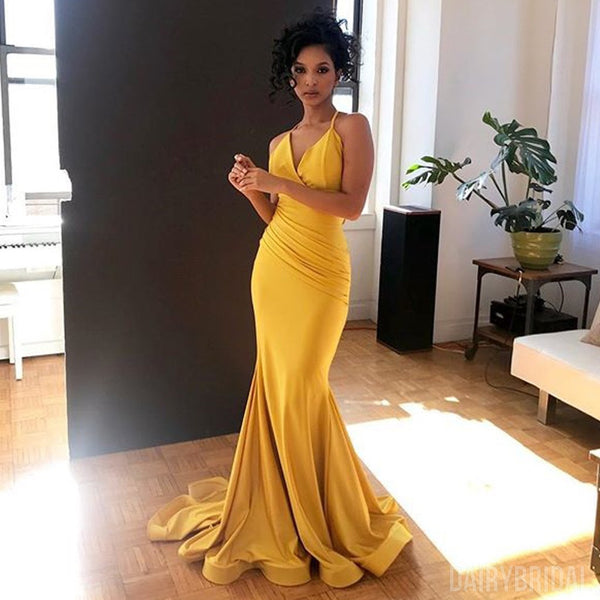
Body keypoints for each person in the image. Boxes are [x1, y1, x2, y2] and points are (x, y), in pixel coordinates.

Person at [147, 9, 412, 588]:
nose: (310, 80)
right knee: (276, 384)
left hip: (322, 274)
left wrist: (276, 182)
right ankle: (284, 504)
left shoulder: (352, 127)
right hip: (274, 268)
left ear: (338, 73)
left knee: (303, 385)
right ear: (289, 77)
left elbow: (350, 207)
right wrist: (252, 190)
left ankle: (319, 508)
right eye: (300, 71)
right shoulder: (278, 142)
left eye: (322, 69)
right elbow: (277, 216)